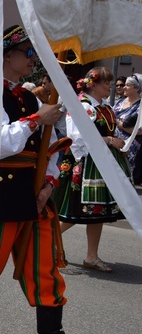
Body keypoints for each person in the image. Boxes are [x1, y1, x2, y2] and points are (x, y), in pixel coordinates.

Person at [0, 25, 93, 334]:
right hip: (0, 192)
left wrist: (48, 183)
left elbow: (51, 147)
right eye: (27, 52)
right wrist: (34, 120)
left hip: (34, 192)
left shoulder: (31, 97)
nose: (33, 59)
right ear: (6, 56)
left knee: (45, 265)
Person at [53, 67, 132, 273]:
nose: (110, 86)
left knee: (98, 213)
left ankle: (91, 256)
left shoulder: (103, 105)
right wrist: (110, 141)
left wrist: (118, 144)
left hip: (102, 162)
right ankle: (48, 243)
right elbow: (77, 138)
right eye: (106, 83)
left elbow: (108, 131)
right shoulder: (83, 106)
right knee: (73, 212)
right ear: (93, 84)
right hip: (85, 165)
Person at [113, 73, 142, 185]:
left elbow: (140, 131)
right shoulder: (120, 102)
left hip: (131, 146)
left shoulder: (140, 106)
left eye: (127, 85)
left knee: (125, 177)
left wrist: (119, 124)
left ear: (137, 88)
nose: (123, 87)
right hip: (115, 143)